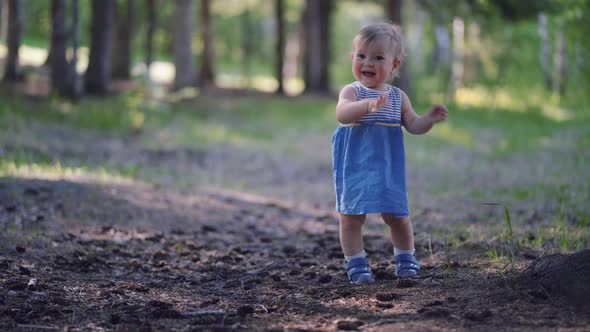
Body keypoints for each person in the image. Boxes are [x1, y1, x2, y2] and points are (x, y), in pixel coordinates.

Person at [332, 23, 448, 284]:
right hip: (356, 164)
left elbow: (414, 125)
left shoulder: (398, 97)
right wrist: (366, 106)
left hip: (387, 166)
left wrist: (428, 119)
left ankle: (406, 259)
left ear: (394, 66)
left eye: (377, 57)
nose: (367, 62)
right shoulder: (352, 92)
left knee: (397, 215)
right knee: (351, 217)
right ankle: (357, 264)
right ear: (353, 58)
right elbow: (342, 113)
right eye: (361, 55)